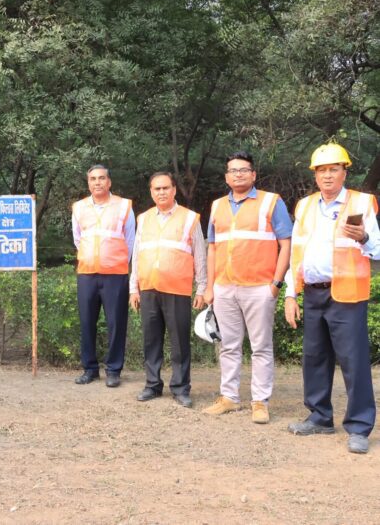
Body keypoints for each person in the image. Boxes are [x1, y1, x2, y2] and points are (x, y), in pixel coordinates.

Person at [284, 140, 380, 455]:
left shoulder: (361, 203)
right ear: (315, 174)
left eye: (333, 169)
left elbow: (378, 249)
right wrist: (290, 293)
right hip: (313, 293)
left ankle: (359, 427)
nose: (327, 175)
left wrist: (364, 237)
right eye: (322, 170)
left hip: (347, 296)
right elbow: (296, 253)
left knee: (354, 361)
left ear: (344, 172)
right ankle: (320, 417)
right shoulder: (304, 206)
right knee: (314, 357)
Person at [202, 151, 292, 423]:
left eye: (243, 170)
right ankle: (229, 397)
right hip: (225, 288)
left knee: (261, 346)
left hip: (259, 287)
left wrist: (276, 284)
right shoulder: (217, 205)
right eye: (233, 170)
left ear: (253, 175)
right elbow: (212, 248)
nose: (238, 174)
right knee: (228, 346)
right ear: (226, 177)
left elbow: (286, 243)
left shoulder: (271, 202)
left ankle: (260, 402)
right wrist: (210, 287)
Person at [129, 172, 206, 408]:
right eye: (157, 189)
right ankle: (152, 385)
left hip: (177, 289)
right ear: (151, 192)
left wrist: (201, 287)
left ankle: (181, 388)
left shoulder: (190, 218)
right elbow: (137, 254)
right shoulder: (143, 219)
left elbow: (200, 255)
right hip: (149, 287)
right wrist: (133, 288)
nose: (161, 192)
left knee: (179, 341)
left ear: (174, 190)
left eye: (165, 188)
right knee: (151, 340)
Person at [71, 165, 135, 387]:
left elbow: (130, 240)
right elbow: (78, 239)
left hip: (115, 274)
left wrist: (116, 261)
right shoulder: (79, 208)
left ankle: (114, 370)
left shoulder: (124, 206)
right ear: (88, 183)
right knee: (87, 322)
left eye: (101, 178)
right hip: (87, 274)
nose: (97, 182)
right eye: (93, 179)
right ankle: (90, 369)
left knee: (116, 323)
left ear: (109, 182)